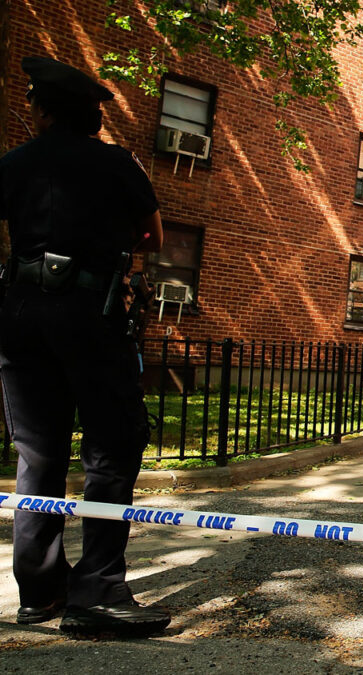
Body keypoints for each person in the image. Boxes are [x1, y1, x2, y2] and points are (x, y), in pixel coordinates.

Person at [0, 56, 169, 636]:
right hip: (88, 314)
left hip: (20, 314)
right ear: (93, 114)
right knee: (113, 444)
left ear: (43, 110)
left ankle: (40, 592)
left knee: (38, 453)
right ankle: (96, 593)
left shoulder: (12, 164)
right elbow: (154, 234)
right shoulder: (114, 163)